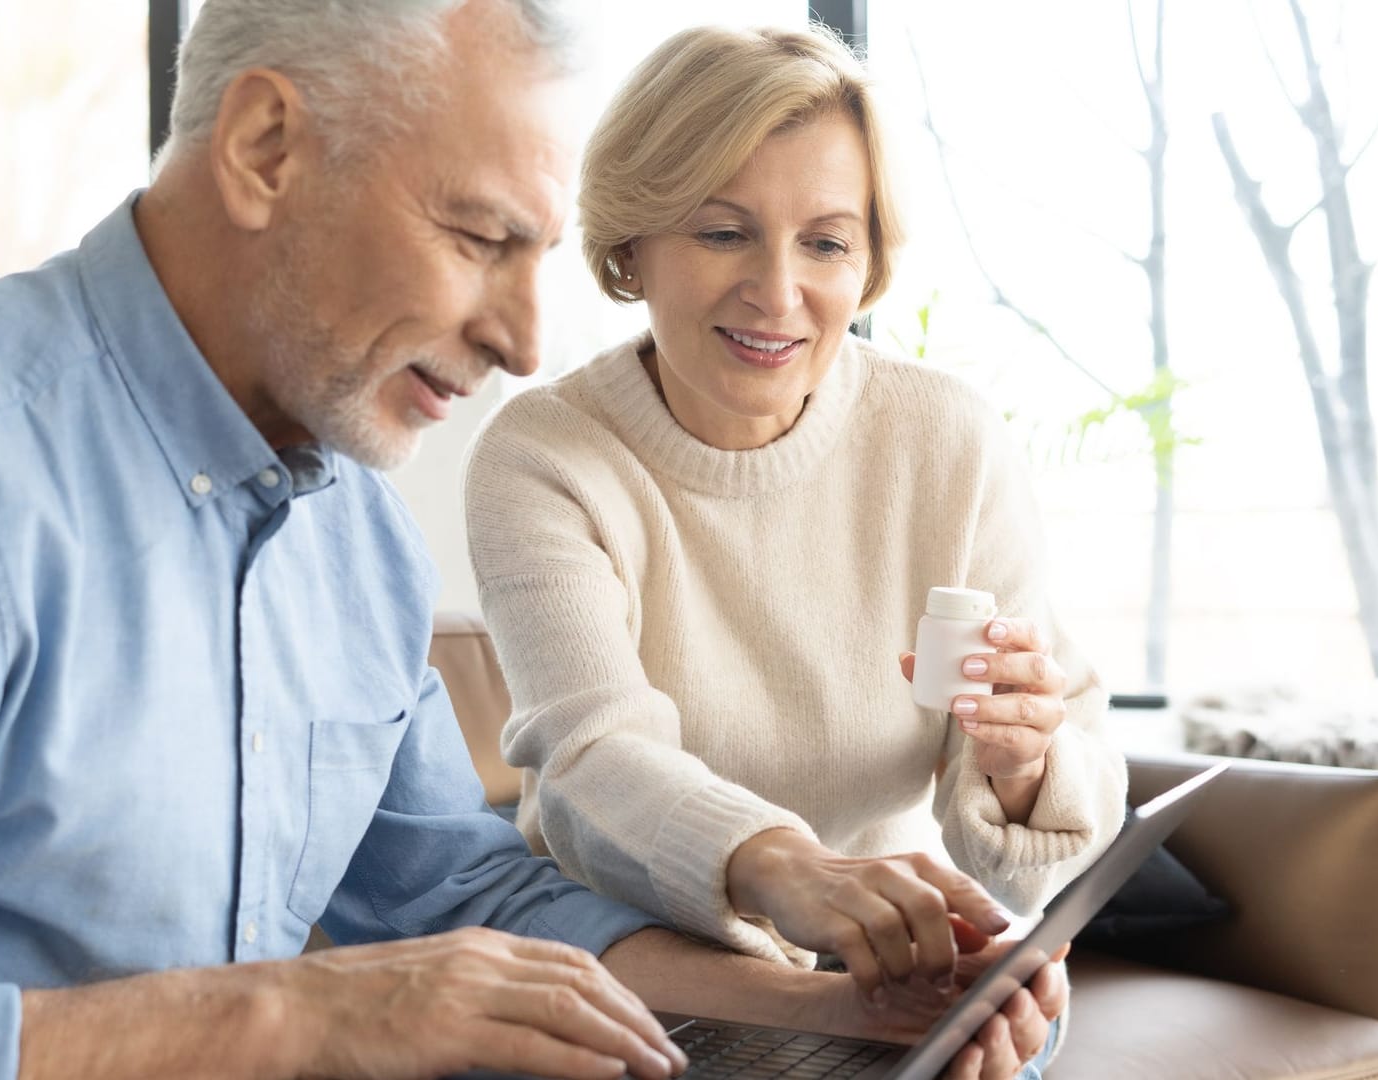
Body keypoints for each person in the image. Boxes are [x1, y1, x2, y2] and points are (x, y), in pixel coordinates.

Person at [0, 3, 1063, 1080]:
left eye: (537, 258)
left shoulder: (345, 526)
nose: (520, 340)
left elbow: (457, 887)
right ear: (263, 147)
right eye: (480, 240)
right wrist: (294, 1012)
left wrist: (834, 1005)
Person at [464, 22, 1128, 1071]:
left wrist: (1017, 762)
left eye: (825, 242)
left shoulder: (945, 437)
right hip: (651, 967)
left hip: (911, 964)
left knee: (995, 1041)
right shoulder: (546, 456)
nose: (778, 293)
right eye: (722, 233)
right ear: (632, 245)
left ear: (866, 266)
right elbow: (598, 759)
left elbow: (1059, 784)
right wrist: (795, 873)